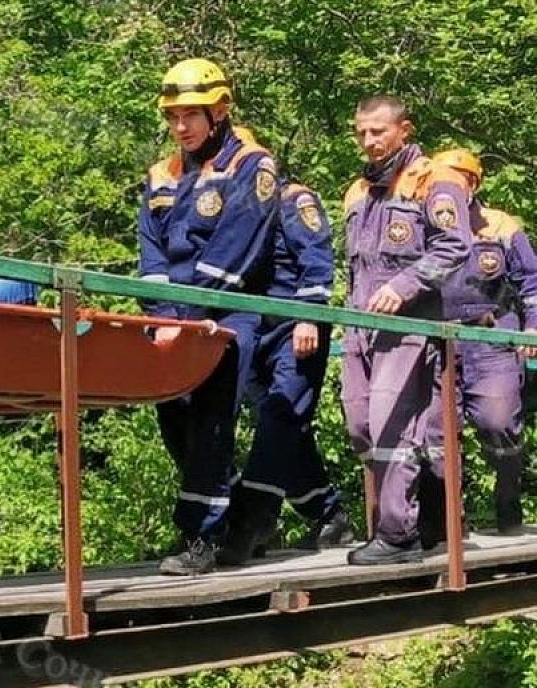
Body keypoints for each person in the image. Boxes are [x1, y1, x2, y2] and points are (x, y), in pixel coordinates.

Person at [138, 58, 279, 575]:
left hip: (226, 312)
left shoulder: (252, 166)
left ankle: (201, 536)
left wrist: (190, 317)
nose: (180, 127)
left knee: (211, 422)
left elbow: (234, 250)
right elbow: (150, 253)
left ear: (219, 110)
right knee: (174, 419)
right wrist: (162, 315)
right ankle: (242, 515)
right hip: (172, 316)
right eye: (173, 117)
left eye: (190, 116)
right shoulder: (162, 174)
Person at [341, 96, 472, 565]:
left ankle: (398, 534)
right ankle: (434, 513)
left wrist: (404, 285)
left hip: (407, 323)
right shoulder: (359, 190)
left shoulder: (433, 181)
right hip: (360, 325)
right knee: (359, 424)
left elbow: (455, 245)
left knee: (391, 423)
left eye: (378, 131)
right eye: (361, 132)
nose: (368, 141)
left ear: (404, 130)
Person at [220, 181, 352, 564]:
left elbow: (315, 253)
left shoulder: (293, 198)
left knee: (279, 416)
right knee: (284, 424)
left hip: (294, 325)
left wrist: (309, 316)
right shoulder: (230, 203)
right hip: (250, 327)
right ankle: (328, 514)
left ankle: (253, 518)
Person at [432, 148, 537, 534]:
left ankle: (508, 503)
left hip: (491, 336)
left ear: (473, 183)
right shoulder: (426, 223)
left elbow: (531, 279)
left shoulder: (499, 225)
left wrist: (532, 328)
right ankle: (449, 522)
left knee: (497, 421)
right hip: (439, 340)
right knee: (437, 431)